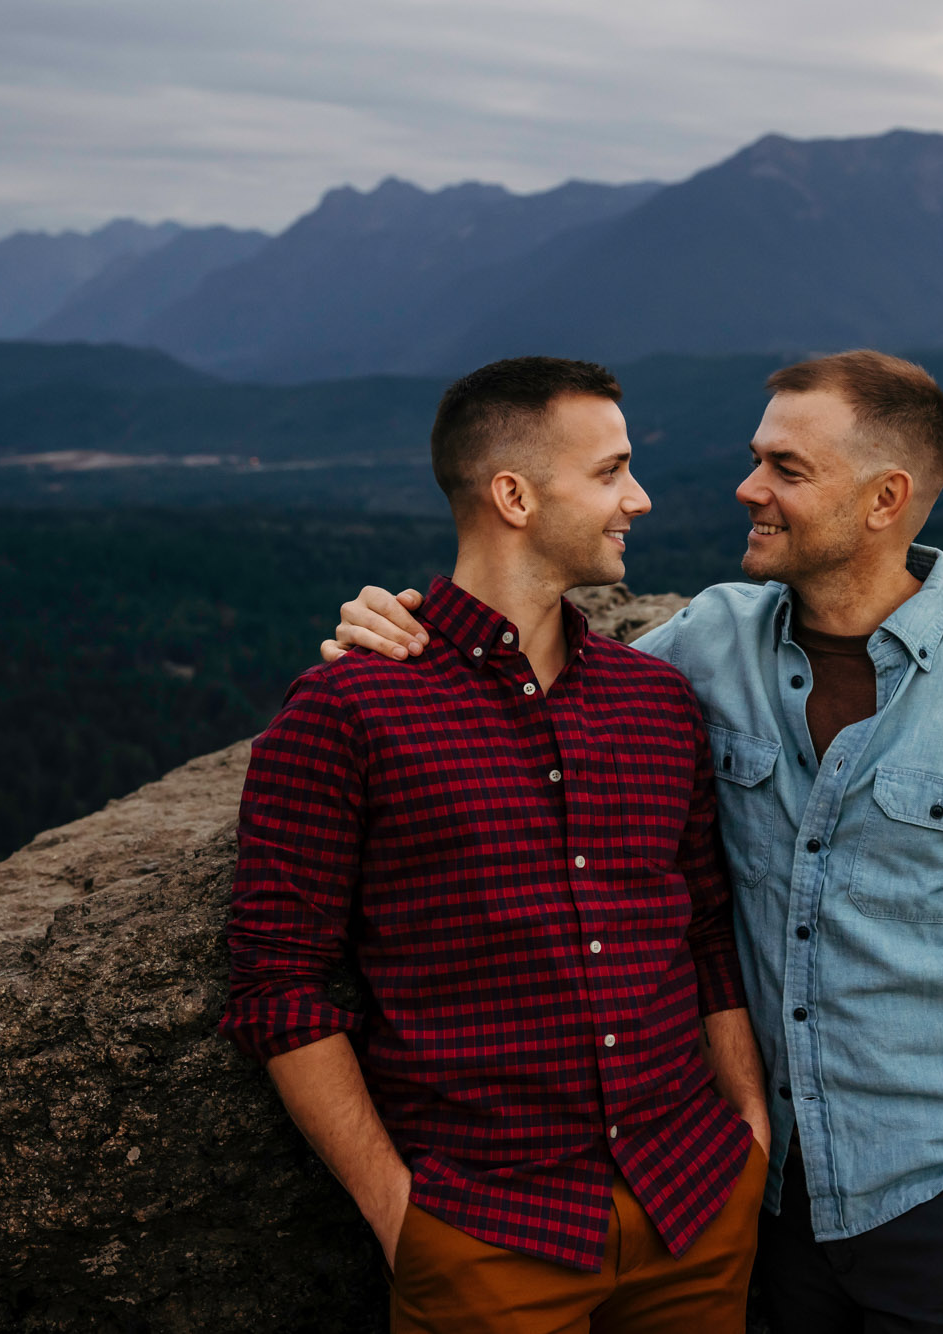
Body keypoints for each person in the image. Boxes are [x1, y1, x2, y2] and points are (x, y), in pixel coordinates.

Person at [326, 349, 943, 1333]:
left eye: (785, 468)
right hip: (761, 1210)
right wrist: (400, 628)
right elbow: (539, 686)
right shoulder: (704, 644)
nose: (746, 486)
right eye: (756, 457)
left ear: (884, 497)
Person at [220, 356, 772, 1334]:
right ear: (512, 493)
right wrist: (401, 1217)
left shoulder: (656, 701)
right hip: (486, 1239)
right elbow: (278, 979)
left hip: (695, 1205)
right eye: (610, 471)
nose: (637, 498)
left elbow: (704, 921)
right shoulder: (349, 709)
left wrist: (746, 1126)